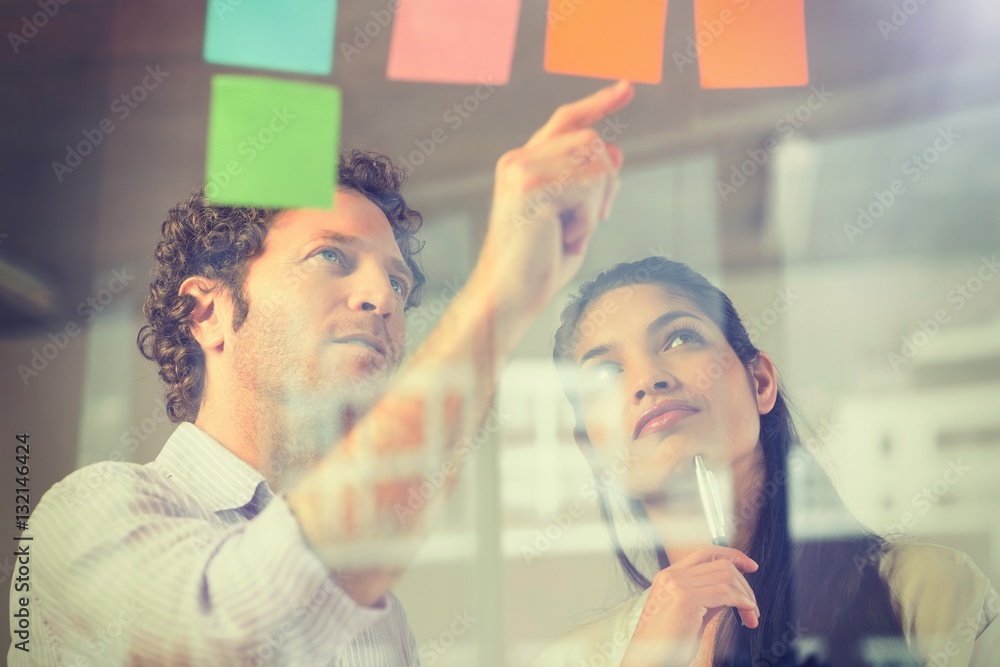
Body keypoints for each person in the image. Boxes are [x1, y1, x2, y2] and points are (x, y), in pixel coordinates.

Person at [8, 80, 635, 665]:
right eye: (330, 256)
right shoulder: (83, 517)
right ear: (207, 312)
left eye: (398, 281)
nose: (384, 298)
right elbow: (239, 627)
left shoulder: (376, 617)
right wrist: (499, 294)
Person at [532, 256, 999, 667]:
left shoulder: (932, 594)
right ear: (592, 451)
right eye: (605, 373)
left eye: (679, 339)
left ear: (759, 382)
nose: (647, 379)